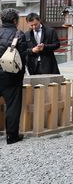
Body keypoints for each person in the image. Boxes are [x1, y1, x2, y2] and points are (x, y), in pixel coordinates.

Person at [0, 8, 28, 144]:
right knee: (12, 106)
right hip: (10, 76)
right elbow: (22, 56)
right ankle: (12, 136)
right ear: (15, 21)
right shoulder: (18, 34)